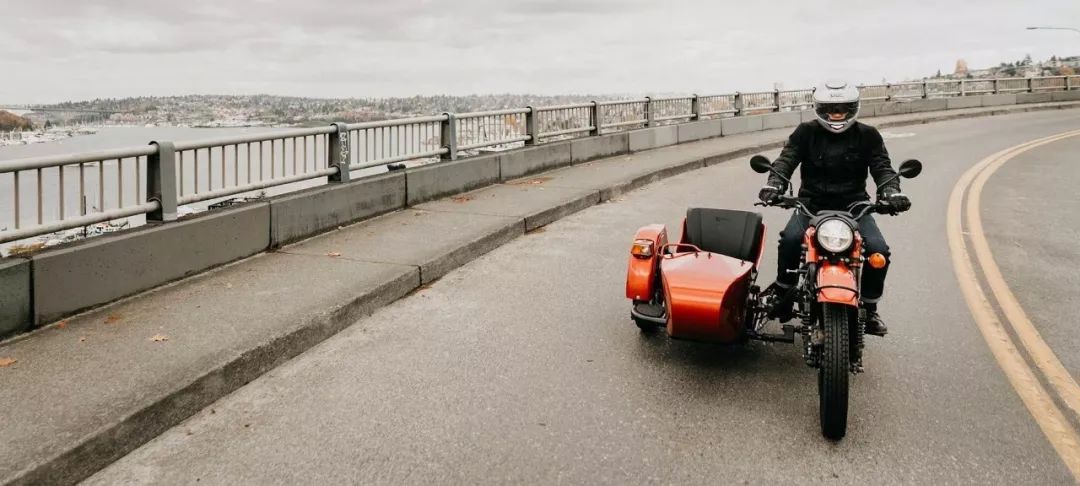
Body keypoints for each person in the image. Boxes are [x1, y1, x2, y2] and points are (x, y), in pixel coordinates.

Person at [757, 80, 911, 336]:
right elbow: (786, 160)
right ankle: (783, 290)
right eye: (830, 109)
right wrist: (774, 184)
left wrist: (891, 191)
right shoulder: (805, 132)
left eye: (842, 108)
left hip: (855, 207)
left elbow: (882, 167)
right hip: (811, 205)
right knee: (790, 240)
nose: (836, 114)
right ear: (820, 108)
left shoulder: (868, 135)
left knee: (879, 251)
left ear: (853, 108)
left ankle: (870, 308)